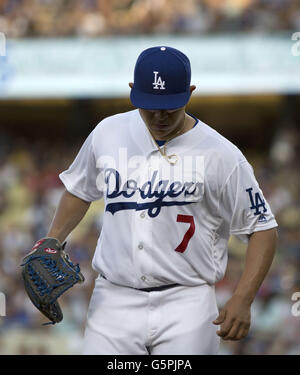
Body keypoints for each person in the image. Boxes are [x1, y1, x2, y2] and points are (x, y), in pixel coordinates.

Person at [46, 46, 278, 354]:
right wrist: (51, 240)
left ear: (190, 93)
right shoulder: (108, 133)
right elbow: (79, 189)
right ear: (133, 91)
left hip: (187, 302)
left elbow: (263, 227)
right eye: (150, 106)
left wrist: (243, 297)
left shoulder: (222, 155)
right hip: (114, 299)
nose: (158, 116)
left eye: (169, 107)